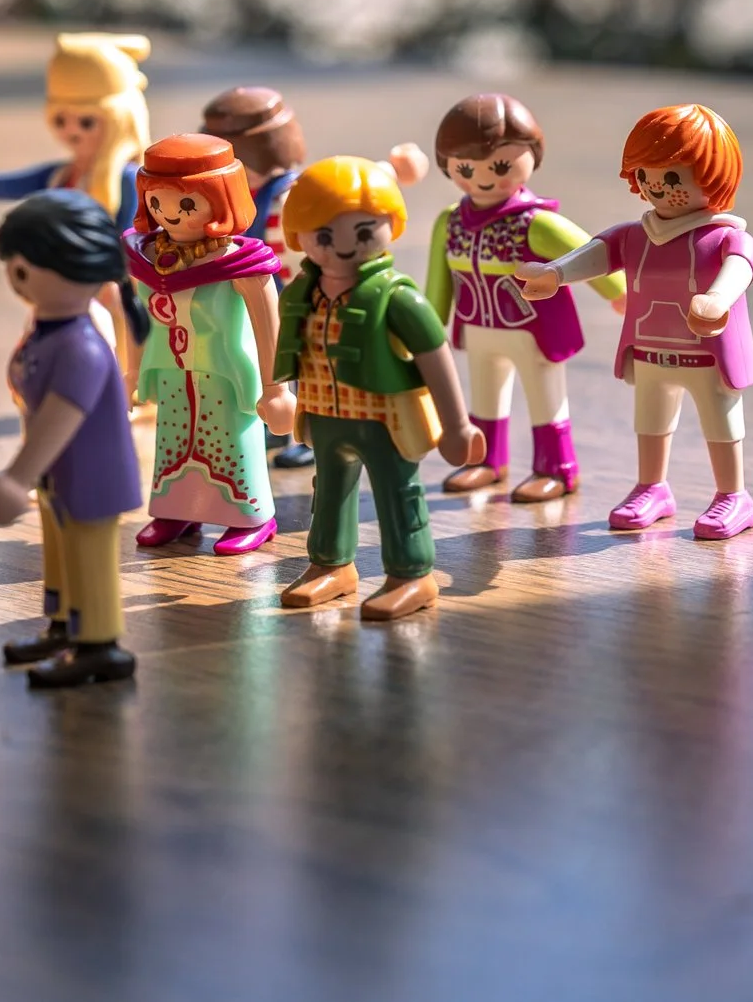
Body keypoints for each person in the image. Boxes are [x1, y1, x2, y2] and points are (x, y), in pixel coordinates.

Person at [519, 104, 753, 540]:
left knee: (720, 425)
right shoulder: (636, 234)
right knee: (650, 423)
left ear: (713, 176)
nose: (656, 187)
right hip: (651, 348)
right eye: (647, 176)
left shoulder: (726, 236)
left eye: (671, 178)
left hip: (706, 352)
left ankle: (734, 495)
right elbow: (596, 254)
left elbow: (741, 267)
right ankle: (652, 488)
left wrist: (717, 299)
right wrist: (554, 274)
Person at [271, 158, 482, 619]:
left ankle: (412, 575)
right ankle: (330, 565)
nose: (342, 249)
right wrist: (276, 394)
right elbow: (284, 346)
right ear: (298, 235)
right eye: (324, 236)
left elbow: (435, 357)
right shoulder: (299, 294)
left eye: (364, 233)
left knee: (397, 492)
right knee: (328, 491)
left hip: (386, 419)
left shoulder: (398, 297)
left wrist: (457, 425)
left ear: (391, 226)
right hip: (324, 413)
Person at [417, 93, 624, 502]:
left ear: (532, 156)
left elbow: (593, 253)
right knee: (484, 397)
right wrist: (427, 326)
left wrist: (620, 295)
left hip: (534, 331)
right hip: (477, 328)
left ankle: (558, 469)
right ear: (448, 166)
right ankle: (487, 461)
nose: (484, 177)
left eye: (499, 165)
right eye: (465, 167)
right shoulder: (450, 222)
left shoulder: (536, 223)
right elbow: (438, 282)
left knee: (545, 398)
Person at [0, 190, 145, 689]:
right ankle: (63, 628)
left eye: (23, 267)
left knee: (88, 557)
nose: (14, 275)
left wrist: (17, 477)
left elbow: (58, 416)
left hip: (91, 472)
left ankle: (99, 644)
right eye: (13, 264)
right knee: (58, 552)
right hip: (60, 472)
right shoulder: (46, 331)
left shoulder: (80, 346)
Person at [126, 133, 294, 555]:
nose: (170, 215)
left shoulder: (240, 262)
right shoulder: (147, 257)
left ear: (221, 200)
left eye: (186, 204)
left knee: (232, 441)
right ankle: (176, 510)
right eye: (156, 203)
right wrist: (128, 369)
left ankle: (252, 514)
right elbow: (133, 319)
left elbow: (268, 325)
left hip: (225, 371)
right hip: (169, 368)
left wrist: (277, 389)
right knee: (174, 441)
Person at [0, 33, 154, 378]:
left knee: (124, 320)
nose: (72, 131)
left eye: (86, 122)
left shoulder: (125, 178)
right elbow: (26, 182)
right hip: (65, 272)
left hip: (109, 275)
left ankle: (129, 378)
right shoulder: (63, 175)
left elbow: (131, 226)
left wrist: (116, 268)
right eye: (61, 120)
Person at [204, 86, 313, 470]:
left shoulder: (290, 195)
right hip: (253, 293)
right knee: (266, 362)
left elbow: (303, 252)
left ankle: (307, 433)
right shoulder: (240, 198)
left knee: (301, 364)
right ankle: (276, 422)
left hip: (291, 295)